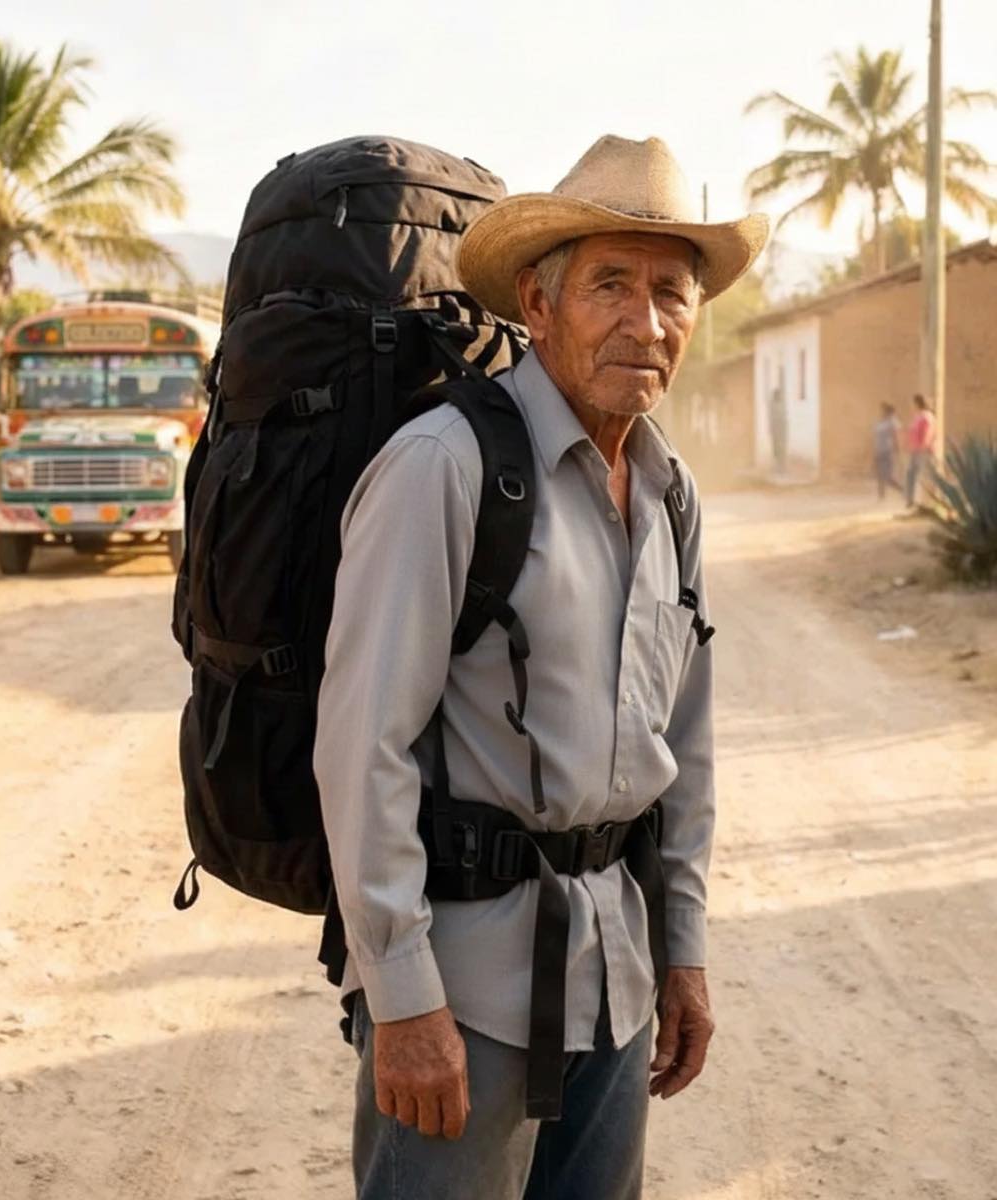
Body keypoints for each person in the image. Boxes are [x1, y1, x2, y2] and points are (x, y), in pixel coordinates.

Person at [315, 134, 769, 1199]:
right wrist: (402, 996)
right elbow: (361, 747)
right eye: (610, 283)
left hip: (613, 981)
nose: (645, 321)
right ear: (537, 300)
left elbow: (682, 745)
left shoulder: (670, 494)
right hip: (463, 996)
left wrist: (682, 948)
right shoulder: (443, 467)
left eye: (671, 292)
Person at [905, 393, 937, 509]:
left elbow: (928, 435)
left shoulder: (927, 417)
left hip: (923, 451)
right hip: (916, 451)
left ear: (918, 403)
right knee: (911, 475)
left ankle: (925, 502)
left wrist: (922, 448)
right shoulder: (919, 416)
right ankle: (911, 500)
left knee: (923, 475)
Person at [873, 402, 902, 500]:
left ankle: (902, 491)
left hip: (888, 451)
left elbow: (896, 436)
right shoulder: (881, 422)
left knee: (888, 476)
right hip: (879, 451)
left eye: (883, 409)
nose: (881, 412)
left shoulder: (893, 421)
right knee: (879, 475)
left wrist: (897, 450)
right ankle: (881, 496)